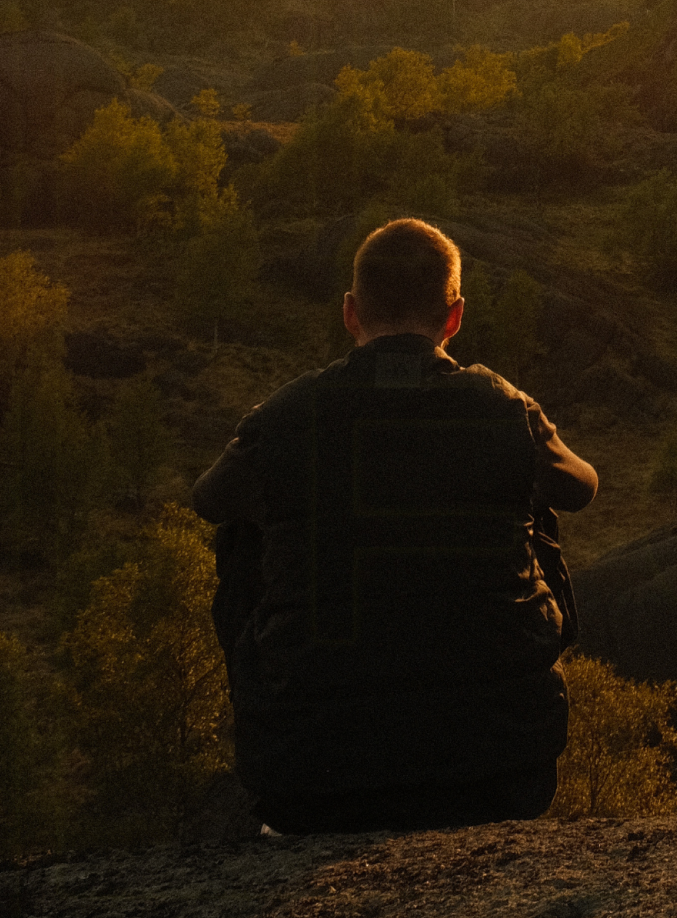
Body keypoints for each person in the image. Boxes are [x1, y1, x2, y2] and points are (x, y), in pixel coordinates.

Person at [192, 218, 597, 834]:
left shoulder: (286, 416)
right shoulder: (503, 408)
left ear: (351, 313)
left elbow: (209, 499)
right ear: (454, 316)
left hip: (309, 775)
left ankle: (295, 701)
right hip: (499, 768)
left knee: (244, 527)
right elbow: (581, 486)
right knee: (532, 498)